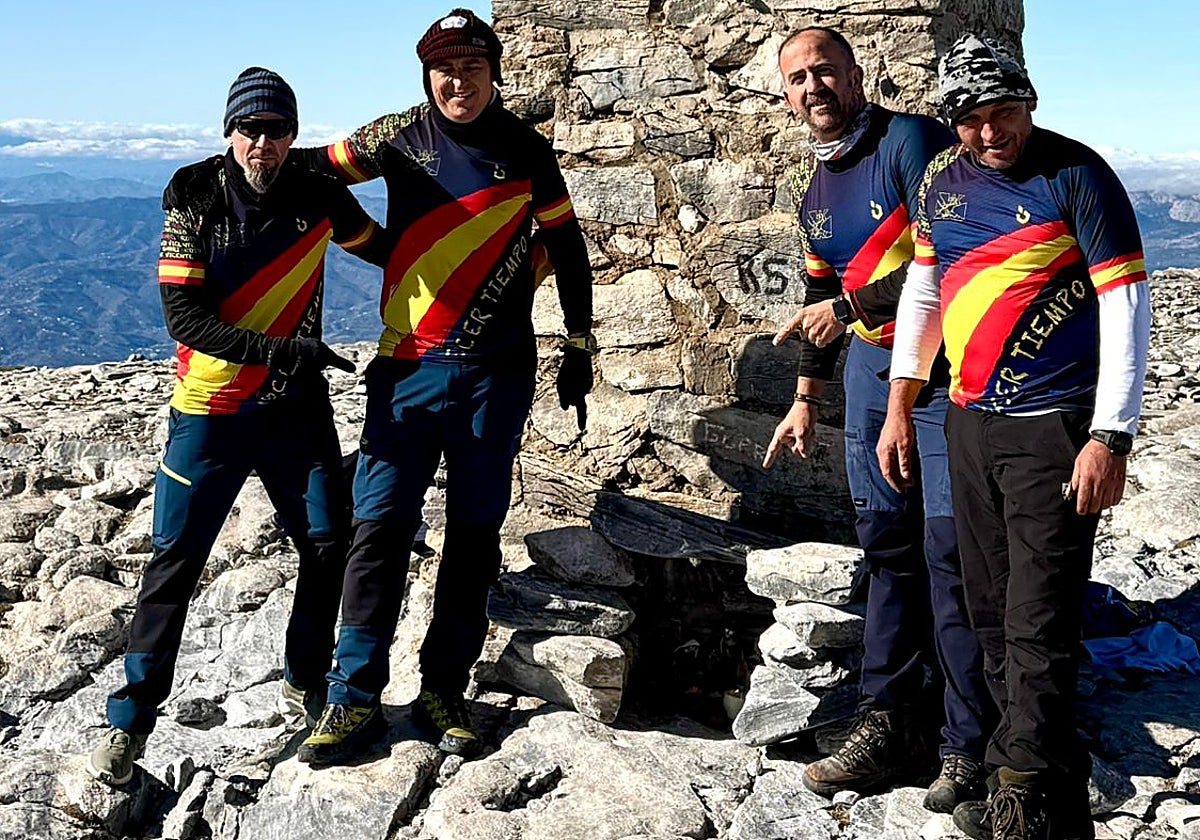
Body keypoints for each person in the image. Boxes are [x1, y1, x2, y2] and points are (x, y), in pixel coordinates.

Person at [292, 8, 594, 765]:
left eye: (472, 67)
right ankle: (353, 695)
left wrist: (580, 341)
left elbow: (567, 243)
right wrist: (371, 245)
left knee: (472, 535)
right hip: (407, 366)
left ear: (495, 72)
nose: (458, 81)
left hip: (497, 372)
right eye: (443, 69)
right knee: (379, 532)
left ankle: (442, 689)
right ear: (427, 76)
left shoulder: (526, 149)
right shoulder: (397, 133)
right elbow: (313, 174)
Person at [877, 33, 1150, 840]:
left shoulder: (1077, 175)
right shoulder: (941, 181)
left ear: (1028, 103)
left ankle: (1026, 797)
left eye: (1003, 113)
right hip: (967, 418)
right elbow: (925, 291)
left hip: (1054, 428)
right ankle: (1019, 774)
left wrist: (1111, 436)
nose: (990, 133)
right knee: (987, 605)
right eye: (970, 120)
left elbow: (1126, 310)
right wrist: (901, 401)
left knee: (1040, 614)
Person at [86, 67, 391, 786]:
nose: (264, 143)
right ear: (230, 132)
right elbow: (185, 319)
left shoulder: (318, 193)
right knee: (175, 562)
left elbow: (384, 248)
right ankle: (130, 723)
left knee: (326, 545)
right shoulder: (194, 197)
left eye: (278, 130)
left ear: (292, 134)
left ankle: (304, 679)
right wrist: (290, 350)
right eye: (251, 129)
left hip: (294, 409)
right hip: (211, 412)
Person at [762, 27, 995, 811]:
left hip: (941, 368)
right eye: (797, 79)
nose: (813, 87)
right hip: (868, 373)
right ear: (786, 95)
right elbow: (816, 291)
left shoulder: (914, 143)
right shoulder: (814, 191)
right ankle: (887, 722)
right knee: (886, 547)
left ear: (856, 73)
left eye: (824, 70)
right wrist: (804, 397)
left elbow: (956, 247)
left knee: (948, 552)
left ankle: (969, 745)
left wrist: (848, 306)